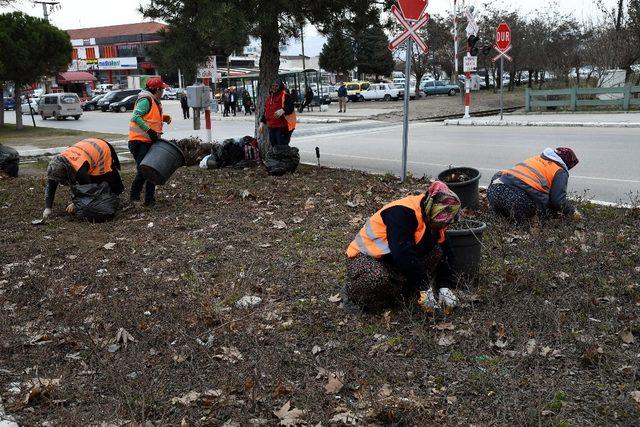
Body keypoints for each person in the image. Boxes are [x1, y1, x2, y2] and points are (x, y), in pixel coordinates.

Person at [344, 181, 461, 313]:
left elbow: (447, 254)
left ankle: (401, 294)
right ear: (432, 210)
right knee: (376, 278)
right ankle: (355, 297)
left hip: (392, 260)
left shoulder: (434, 219)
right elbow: (402, 253)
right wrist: (423, 286)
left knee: (437, 252)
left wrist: (445, 286)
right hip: (366, 258)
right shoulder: (402, 212)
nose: (442, 227)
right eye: (440, 223)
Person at [487, 147, 581, 223]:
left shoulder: (536, 158)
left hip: (495, 192)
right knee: (548, 211)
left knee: (503, 221)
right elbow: (557, 201)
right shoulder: (560, 171)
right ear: (567, 163)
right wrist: (572, 212)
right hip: (517, 201)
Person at [42, 138, 124, 218]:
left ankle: (116, 194)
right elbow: (51, 186)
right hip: (89, 145)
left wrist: (74, 203)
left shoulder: (80, 170)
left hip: (101, 148)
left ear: (66, 172)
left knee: (103, 176)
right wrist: (47, 208)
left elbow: (88, 189)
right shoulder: (55, 167)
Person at [128, 77, 172, 207]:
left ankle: (149, 201)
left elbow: (149, 118)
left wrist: (164, 118)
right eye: (162, 89)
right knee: (144, 171)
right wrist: (150, 131)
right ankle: (134, 198)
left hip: (147, 141)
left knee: (152, 170)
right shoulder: (146, 100)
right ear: (157, 89)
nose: (163, 91)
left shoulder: (154, 100)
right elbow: (136, 117)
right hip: (139, 142)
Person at [259, 80, 296, 146]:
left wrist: (283, 110)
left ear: (280, 87)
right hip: (271, 127)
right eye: (273, 86)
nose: (274, 88)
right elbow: (266, 112)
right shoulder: (269, 98)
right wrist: (262, 123)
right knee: (274, 145)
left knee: (281, 147)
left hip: (282, 127)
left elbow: (291, 107)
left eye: (276, 86)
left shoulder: (285, 96)